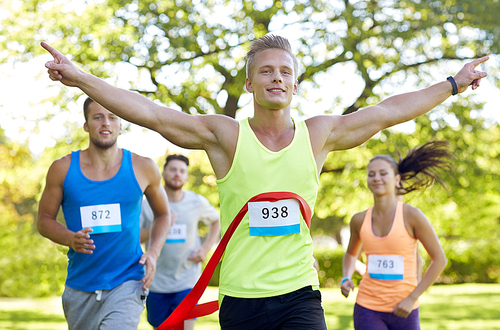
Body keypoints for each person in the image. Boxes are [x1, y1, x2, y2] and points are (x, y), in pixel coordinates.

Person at [41, 35, 488, 329]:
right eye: (267, 71)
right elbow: (152, 114)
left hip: (299, 295)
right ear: (252, 83)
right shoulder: (226, 136)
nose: (277, 77)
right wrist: (81, 77)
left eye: (286, 71)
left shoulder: (319, 135)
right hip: (242, 299)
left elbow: (389, 111)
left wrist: (452, 82)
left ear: (295, 84)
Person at [37, 97, 171, 330]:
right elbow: (44, 221)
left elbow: (164, 215)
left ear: (121, 124)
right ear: (87, 125)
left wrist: (153, 252)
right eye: (98, 117)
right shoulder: (62, 168)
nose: (105, 123)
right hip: (80, 284)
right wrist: (70, 238)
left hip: (128, 280)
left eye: (112, 117)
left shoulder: (143, 167)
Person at [340, 141, 451, 329]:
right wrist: (346, 277)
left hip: (405, 308)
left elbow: (439, 260)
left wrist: (412, 298)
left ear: (397, 179)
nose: (377, 178)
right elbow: (351, 255)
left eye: (383, 173)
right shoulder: (359, 220)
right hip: (367, 308)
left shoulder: (412, 216)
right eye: (371, 174)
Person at [140, 154, 221, 330]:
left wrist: (205, 248)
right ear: (163, 173)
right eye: (173, 170)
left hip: (187, 280)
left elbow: (216, 220)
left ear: (186, 176)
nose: (177, 174)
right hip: (156, 282)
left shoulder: (196, 201)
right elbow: (135, 237)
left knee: (186, 327)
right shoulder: (147, 204)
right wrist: (161, 226)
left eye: (182, 171)